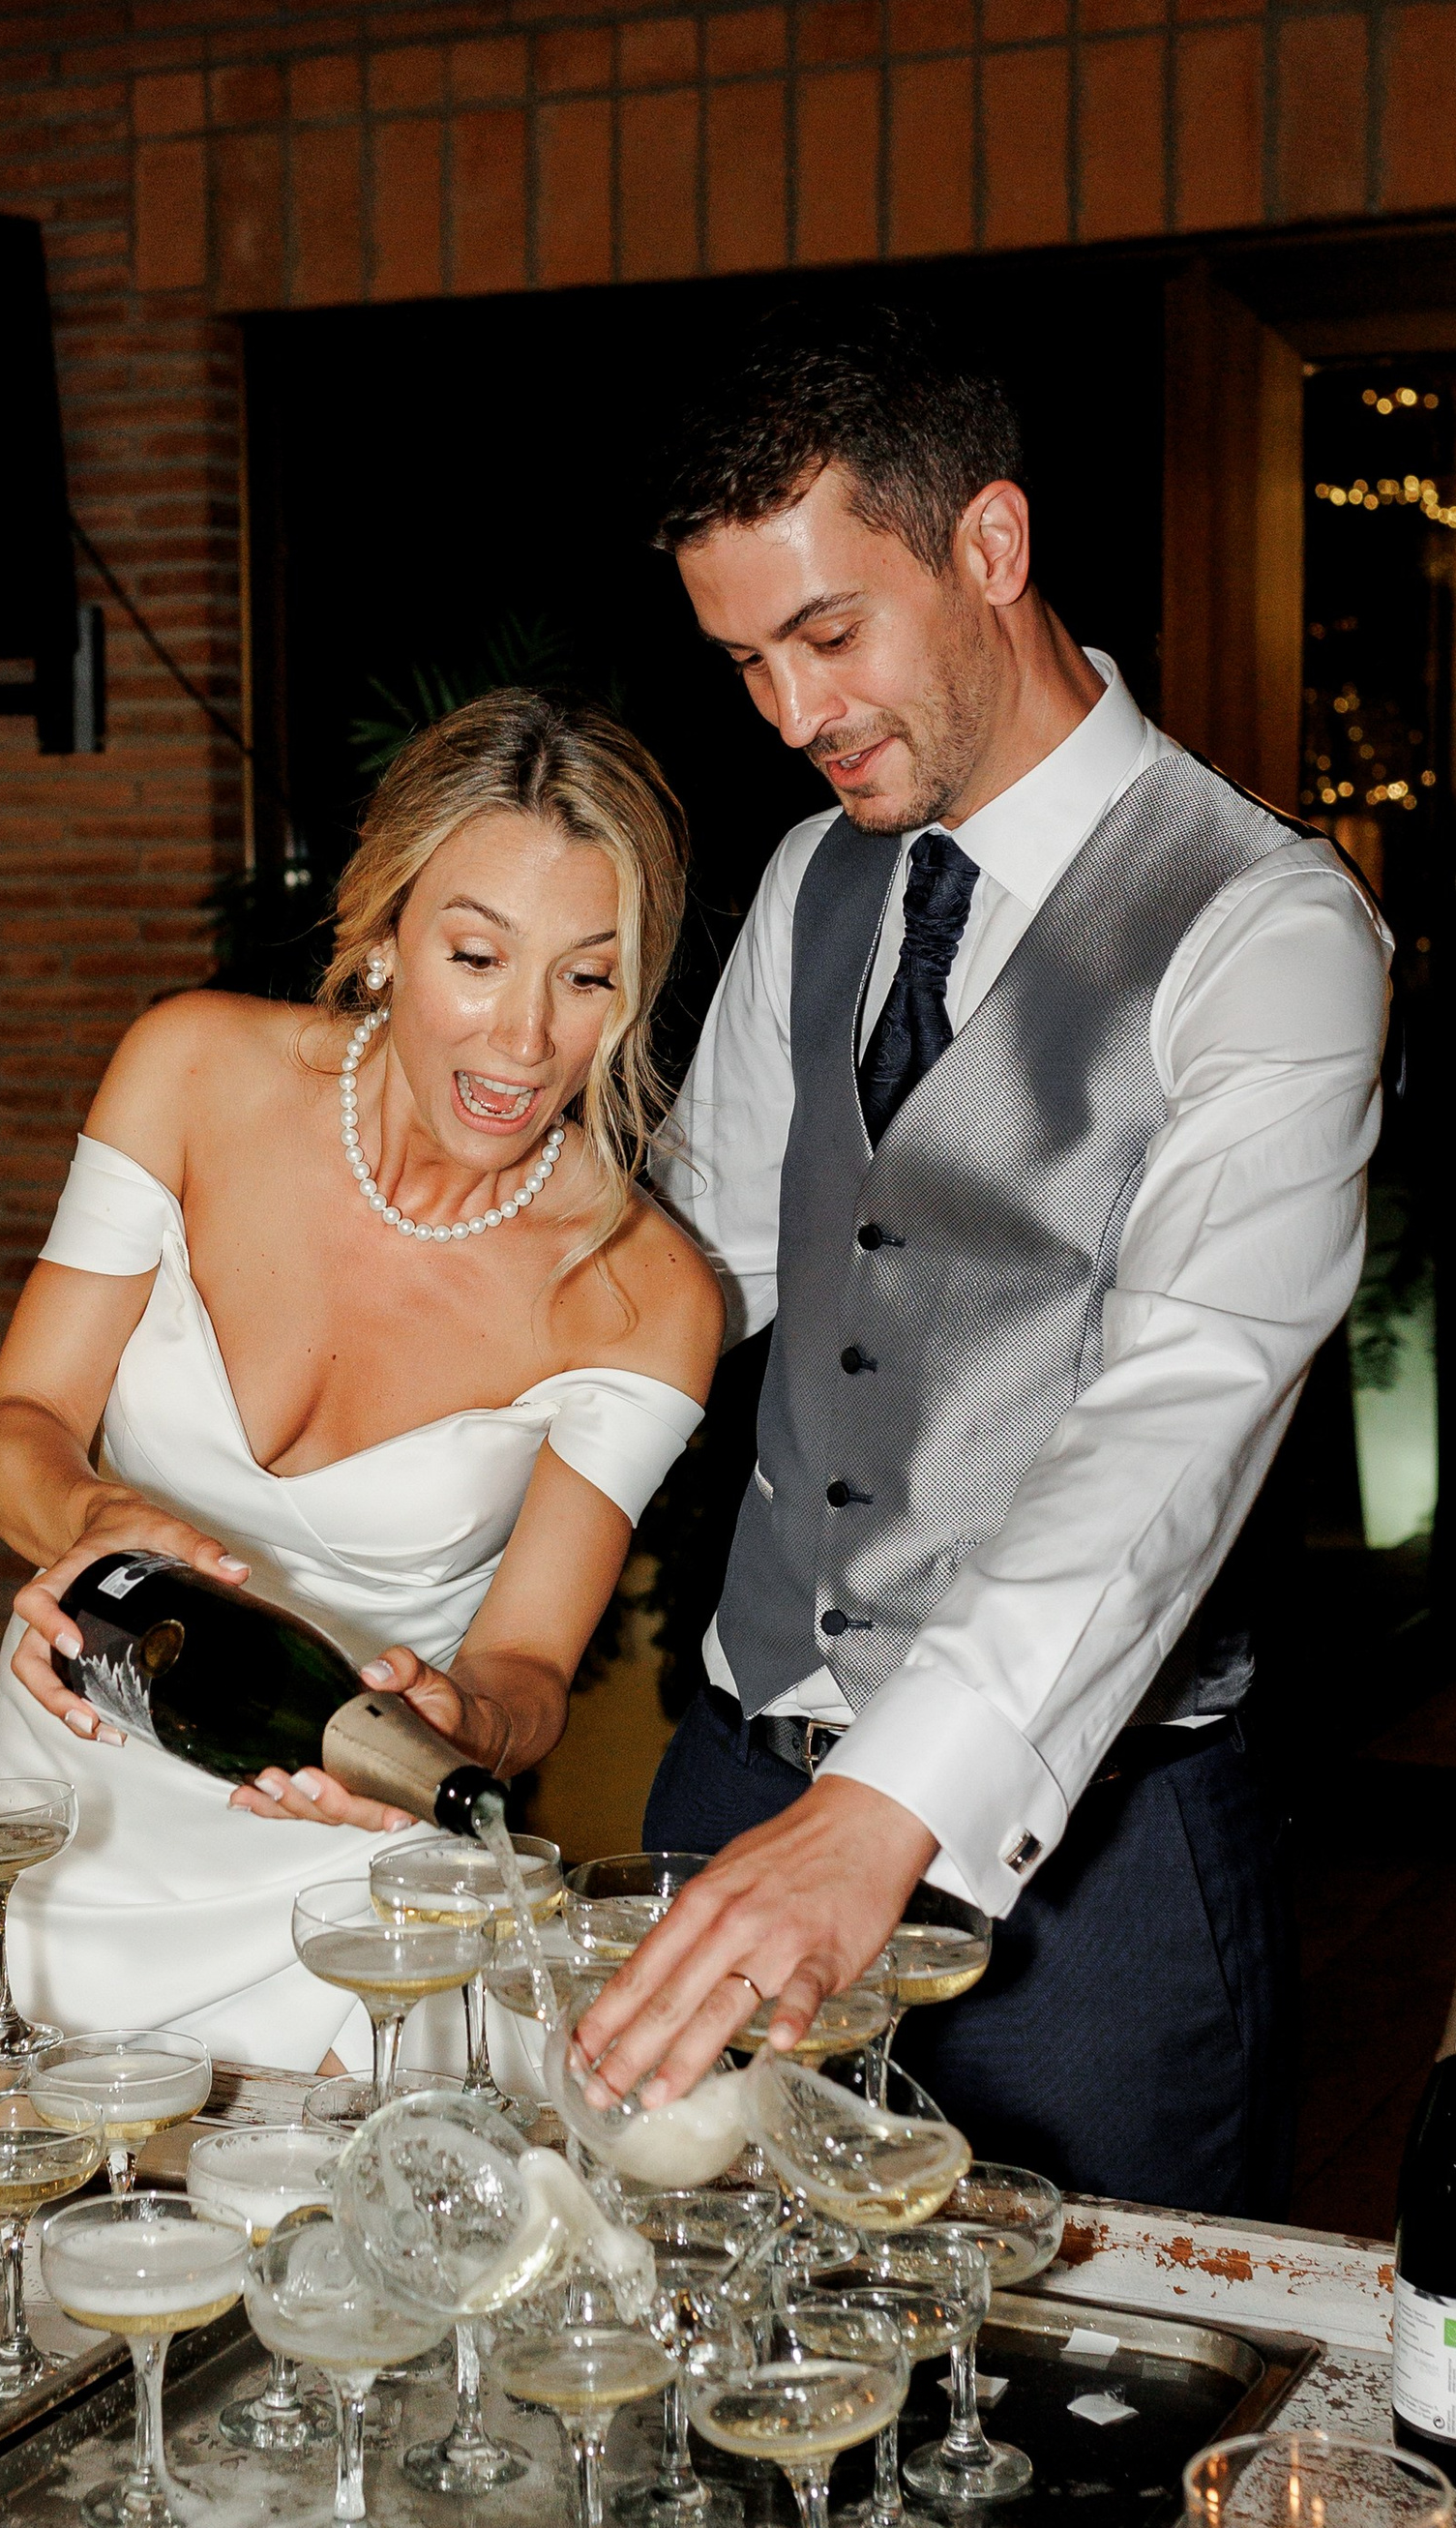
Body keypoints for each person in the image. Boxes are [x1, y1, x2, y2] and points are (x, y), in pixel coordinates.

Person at [577, 305, 1391, 2214]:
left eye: (827, 634)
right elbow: (689, 1277)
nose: (786, 711)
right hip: (736, 1777)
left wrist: (890, 1799)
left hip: (1082, 1878)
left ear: (991, 548)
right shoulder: (812, 874)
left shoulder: (1264, 930)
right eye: (742, 661)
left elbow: (1181, 1400)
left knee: (1078, 2423)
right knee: (714, 2371)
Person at [0, 690, 722, 2070]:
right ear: (382, 937)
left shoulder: (644, 1292)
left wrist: (462, 1720)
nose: (525, 1039)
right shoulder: (188, 1068)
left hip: (355, 1871)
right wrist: (85, 1519)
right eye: (479, 955)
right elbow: (17, 1431)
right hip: (79, 1811)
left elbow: (528, 1663)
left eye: (587, 976)